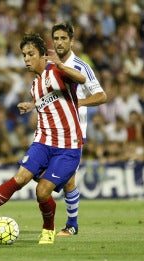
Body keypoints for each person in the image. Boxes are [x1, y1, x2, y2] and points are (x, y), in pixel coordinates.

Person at [0, 33, 86, 244]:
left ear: (42, 55)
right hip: (43, 141)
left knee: (42, 192)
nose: (26, 59)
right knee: (20, 178)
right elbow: (48, 102)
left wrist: (61, 64)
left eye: (31, 54)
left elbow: (81, 79)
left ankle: (48, 229)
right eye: (24, 55)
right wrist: (32, 105)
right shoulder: (34, 85)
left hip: (68, 146)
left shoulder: (57, 71)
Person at [50, 22, 107, 236]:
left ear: (71, 41)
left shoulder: (81, 67)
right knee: (47, 177)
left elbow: (102, 96)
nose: (60, 42)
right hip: (51, 130)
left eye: (64, 38)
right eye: (56, 38)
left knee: (68, 179)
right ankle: (66, 224)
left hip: (73, 133)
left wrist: (80, 102)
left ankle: (72, 225)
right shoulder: (50, 65)